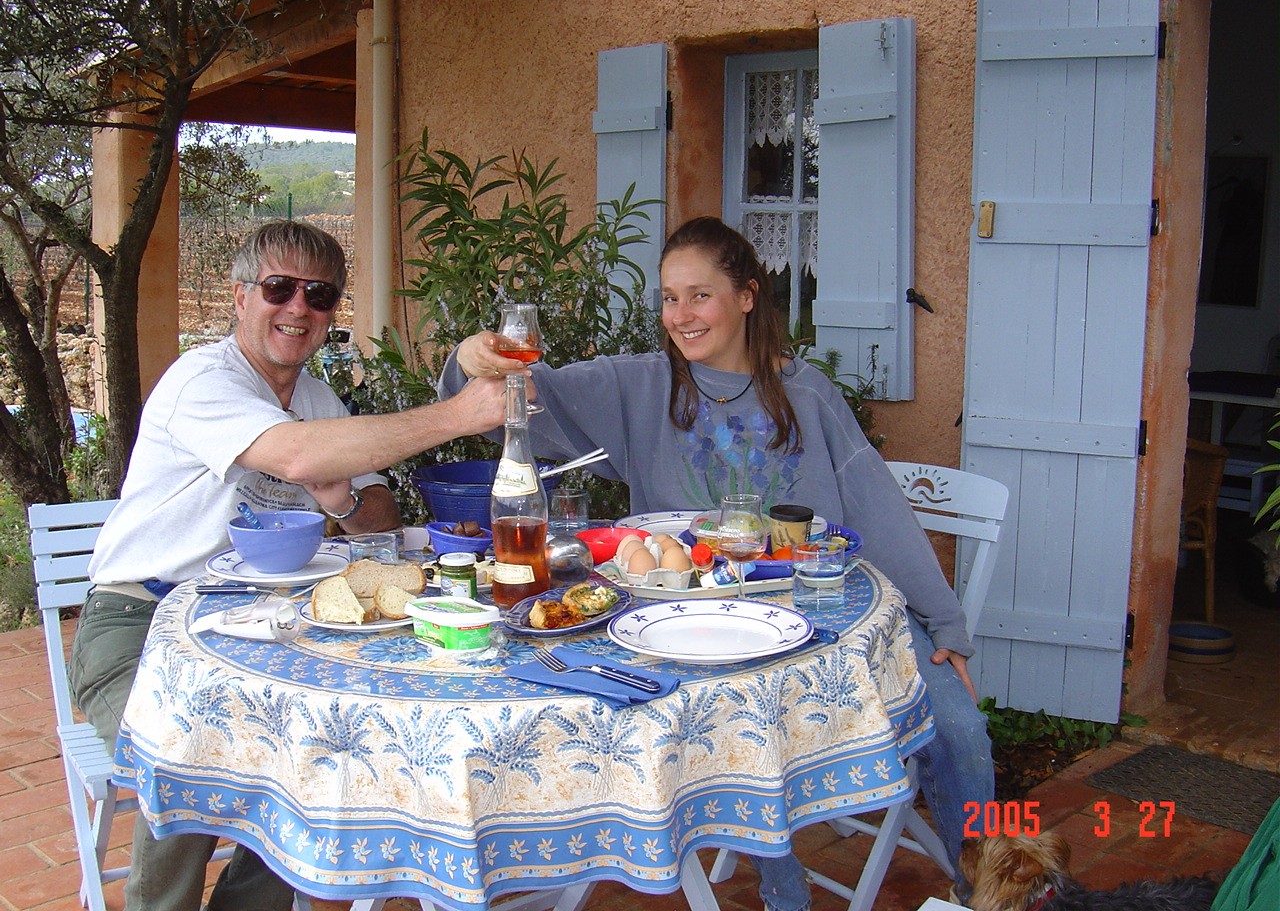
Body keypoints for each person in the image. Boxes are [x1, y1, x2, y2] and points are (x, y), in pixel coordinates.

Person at [440, 216, 994, 911]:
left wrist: (946, 625)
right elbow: (507, 401)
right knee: (749, 732)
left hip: (823, 602)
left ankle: (989, 882)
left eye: (700, 295)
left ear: (747, 297)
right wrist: (471, 357)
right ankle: (782, 890)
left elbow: (877, 508)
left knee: (964, 728)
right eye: (670, 298)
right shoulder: (636, 386)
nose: (682, 315)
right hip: (696, 618)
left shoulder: (808, 394)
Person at [69, 220, 508, 911]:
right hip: (139, 623)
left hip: (261, 626)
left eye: (320, 293)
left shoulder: (317, 403)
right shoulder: (201, 380)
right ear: (242, 297)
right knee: (191, 740)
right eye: (279, 287)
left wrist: (348, 499)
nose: (298, 307)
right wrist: (457, 414)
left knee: (320, 755)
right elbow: (298, 455)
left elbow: (377, 516)